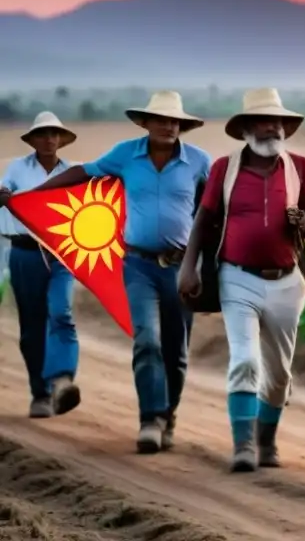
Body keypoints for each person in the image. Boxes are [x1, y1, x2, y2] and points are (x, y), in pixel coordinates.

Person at [22, 91, 211, 454]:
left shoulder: (200, 162)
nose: (168, 126)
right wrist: (35, 193)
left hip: (181, 268)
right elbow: (83, 172)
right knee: (147, 340)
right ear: (144, 123)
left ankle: (168, 415)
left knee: (176, 349)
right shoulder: (126, 154)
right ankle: (150, 420)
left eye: (174, 121)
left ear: (182, 126)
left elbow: (214, 205)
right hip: (138, 265)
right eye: (160, 119)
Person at [178, 88, 305, 473]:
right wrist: (188, 266)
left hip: (287, 282)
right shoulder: (223, 169)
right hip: (236, 277)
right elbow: (203, 220)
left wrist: (302, 223)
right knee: (244, 359)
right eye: (265, 121)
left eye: (278, 122)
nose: (273, 127)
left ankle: (266, 440)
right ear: (246, 128)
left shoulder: (300, 168)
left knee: (278, 376)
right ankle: (242, 445)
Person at [0, 112, 82, 418]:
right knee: (32, 327)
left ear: (61, 139)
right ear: (32, 139)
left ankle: (62, 380)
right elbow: (3, 191)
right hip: (24, 253)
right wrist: (5, 196)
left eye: (54, 134)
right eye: (42, 134)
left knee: (61, 312)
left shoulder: (74, 171)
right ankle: (40, 393)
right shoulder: (17, 169)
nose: (49, 139)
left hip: (62, 255)